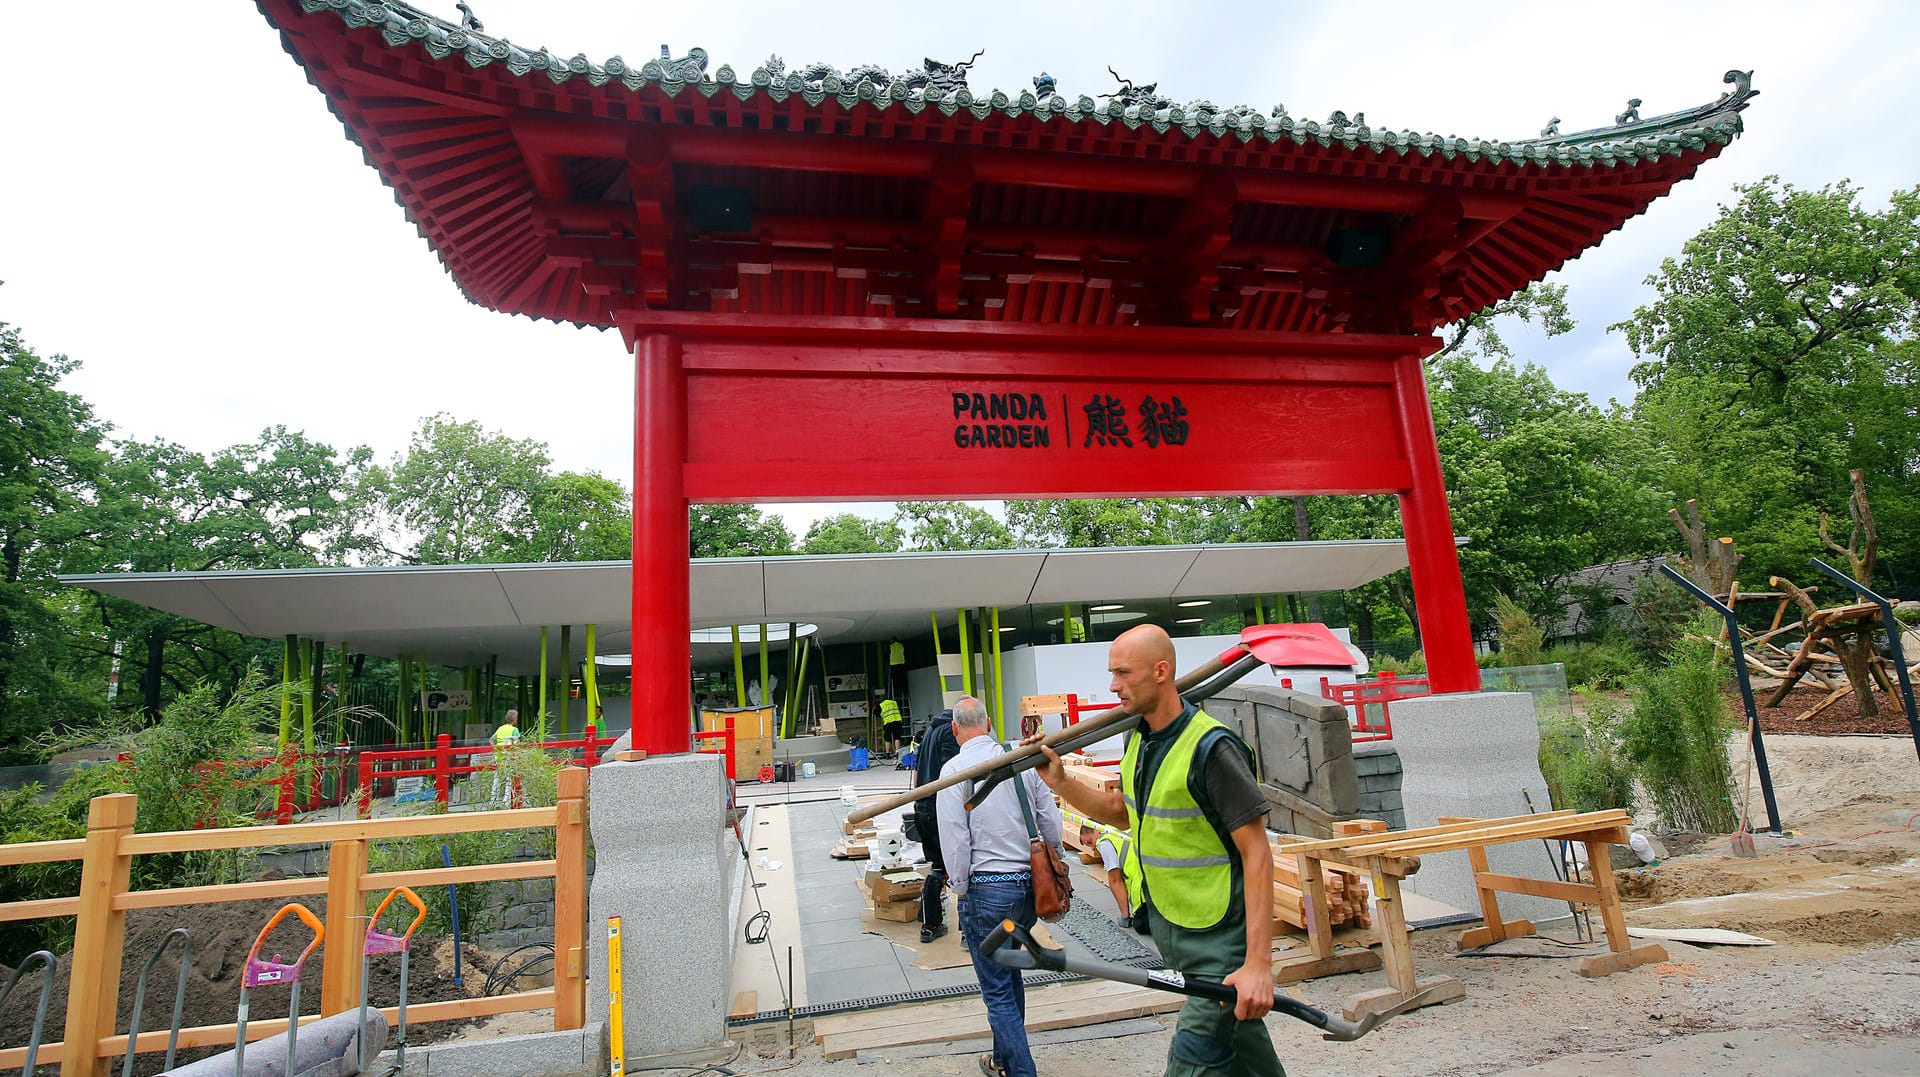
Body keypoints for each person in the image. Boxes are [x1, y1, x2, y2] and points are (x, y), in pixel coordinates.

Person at [1029, 625, 1279, 1077]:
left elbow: (1258, 854)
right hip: (1174, 929)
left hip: (1220, 939)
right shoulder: (1140, 742)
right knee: (1245, 1048)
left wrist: (1258, 964)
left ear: (1161, 672)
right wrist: (1063, 782)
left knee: (1192, 1059)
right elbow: (1122, 813)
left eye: (1123, 673)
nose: (1112, 685)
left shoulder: (1212, 748)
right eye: (1112, 673)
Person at [938, 697, 1061, 1077]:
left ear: (956, 730)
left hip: (988, 891)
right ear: (989, 723)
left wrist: (960, 888)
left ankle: (1022, 1072)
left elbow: (956, 840)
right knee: (1009, 973)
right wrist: (1055, 859)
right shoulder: (1020, 761)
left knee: (996, 989)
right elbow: (1050, 821)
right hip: (1027, 889)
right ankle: (1003, 1060)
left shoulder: (954, 771)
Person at [913, 708, 961, 942]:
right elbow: (952, 772)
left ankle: (929, 924)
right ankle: (967, 930)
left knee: (938, 866)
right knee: (960, 864)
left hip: (922, 806)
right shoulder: (949, 733)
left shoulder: (929, 731)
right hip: (939, 807)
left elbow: (917, 770)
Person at [1082, 822, 1146, 932]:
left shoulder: (1105, 843)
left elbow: (1115, 880)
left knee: (1141, 925)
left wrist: (1125, 917)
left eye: (1090, 842)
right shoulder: (1120, 829)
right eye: (1088, 845)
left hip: (1145, 894)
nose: (1093, 847)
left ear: (1097, 830)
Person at [490, 709, 522, 804]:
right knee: (509, 778)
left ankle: (493, 799)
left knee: (497, 778)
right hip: (508, 756)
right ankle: (506, 800)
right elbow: (517, 743)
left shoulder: (500, 728)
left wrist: (496, 748)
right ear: (515, 719)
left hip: (498, 756)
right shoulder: (514, 730)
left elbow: (491, 739)